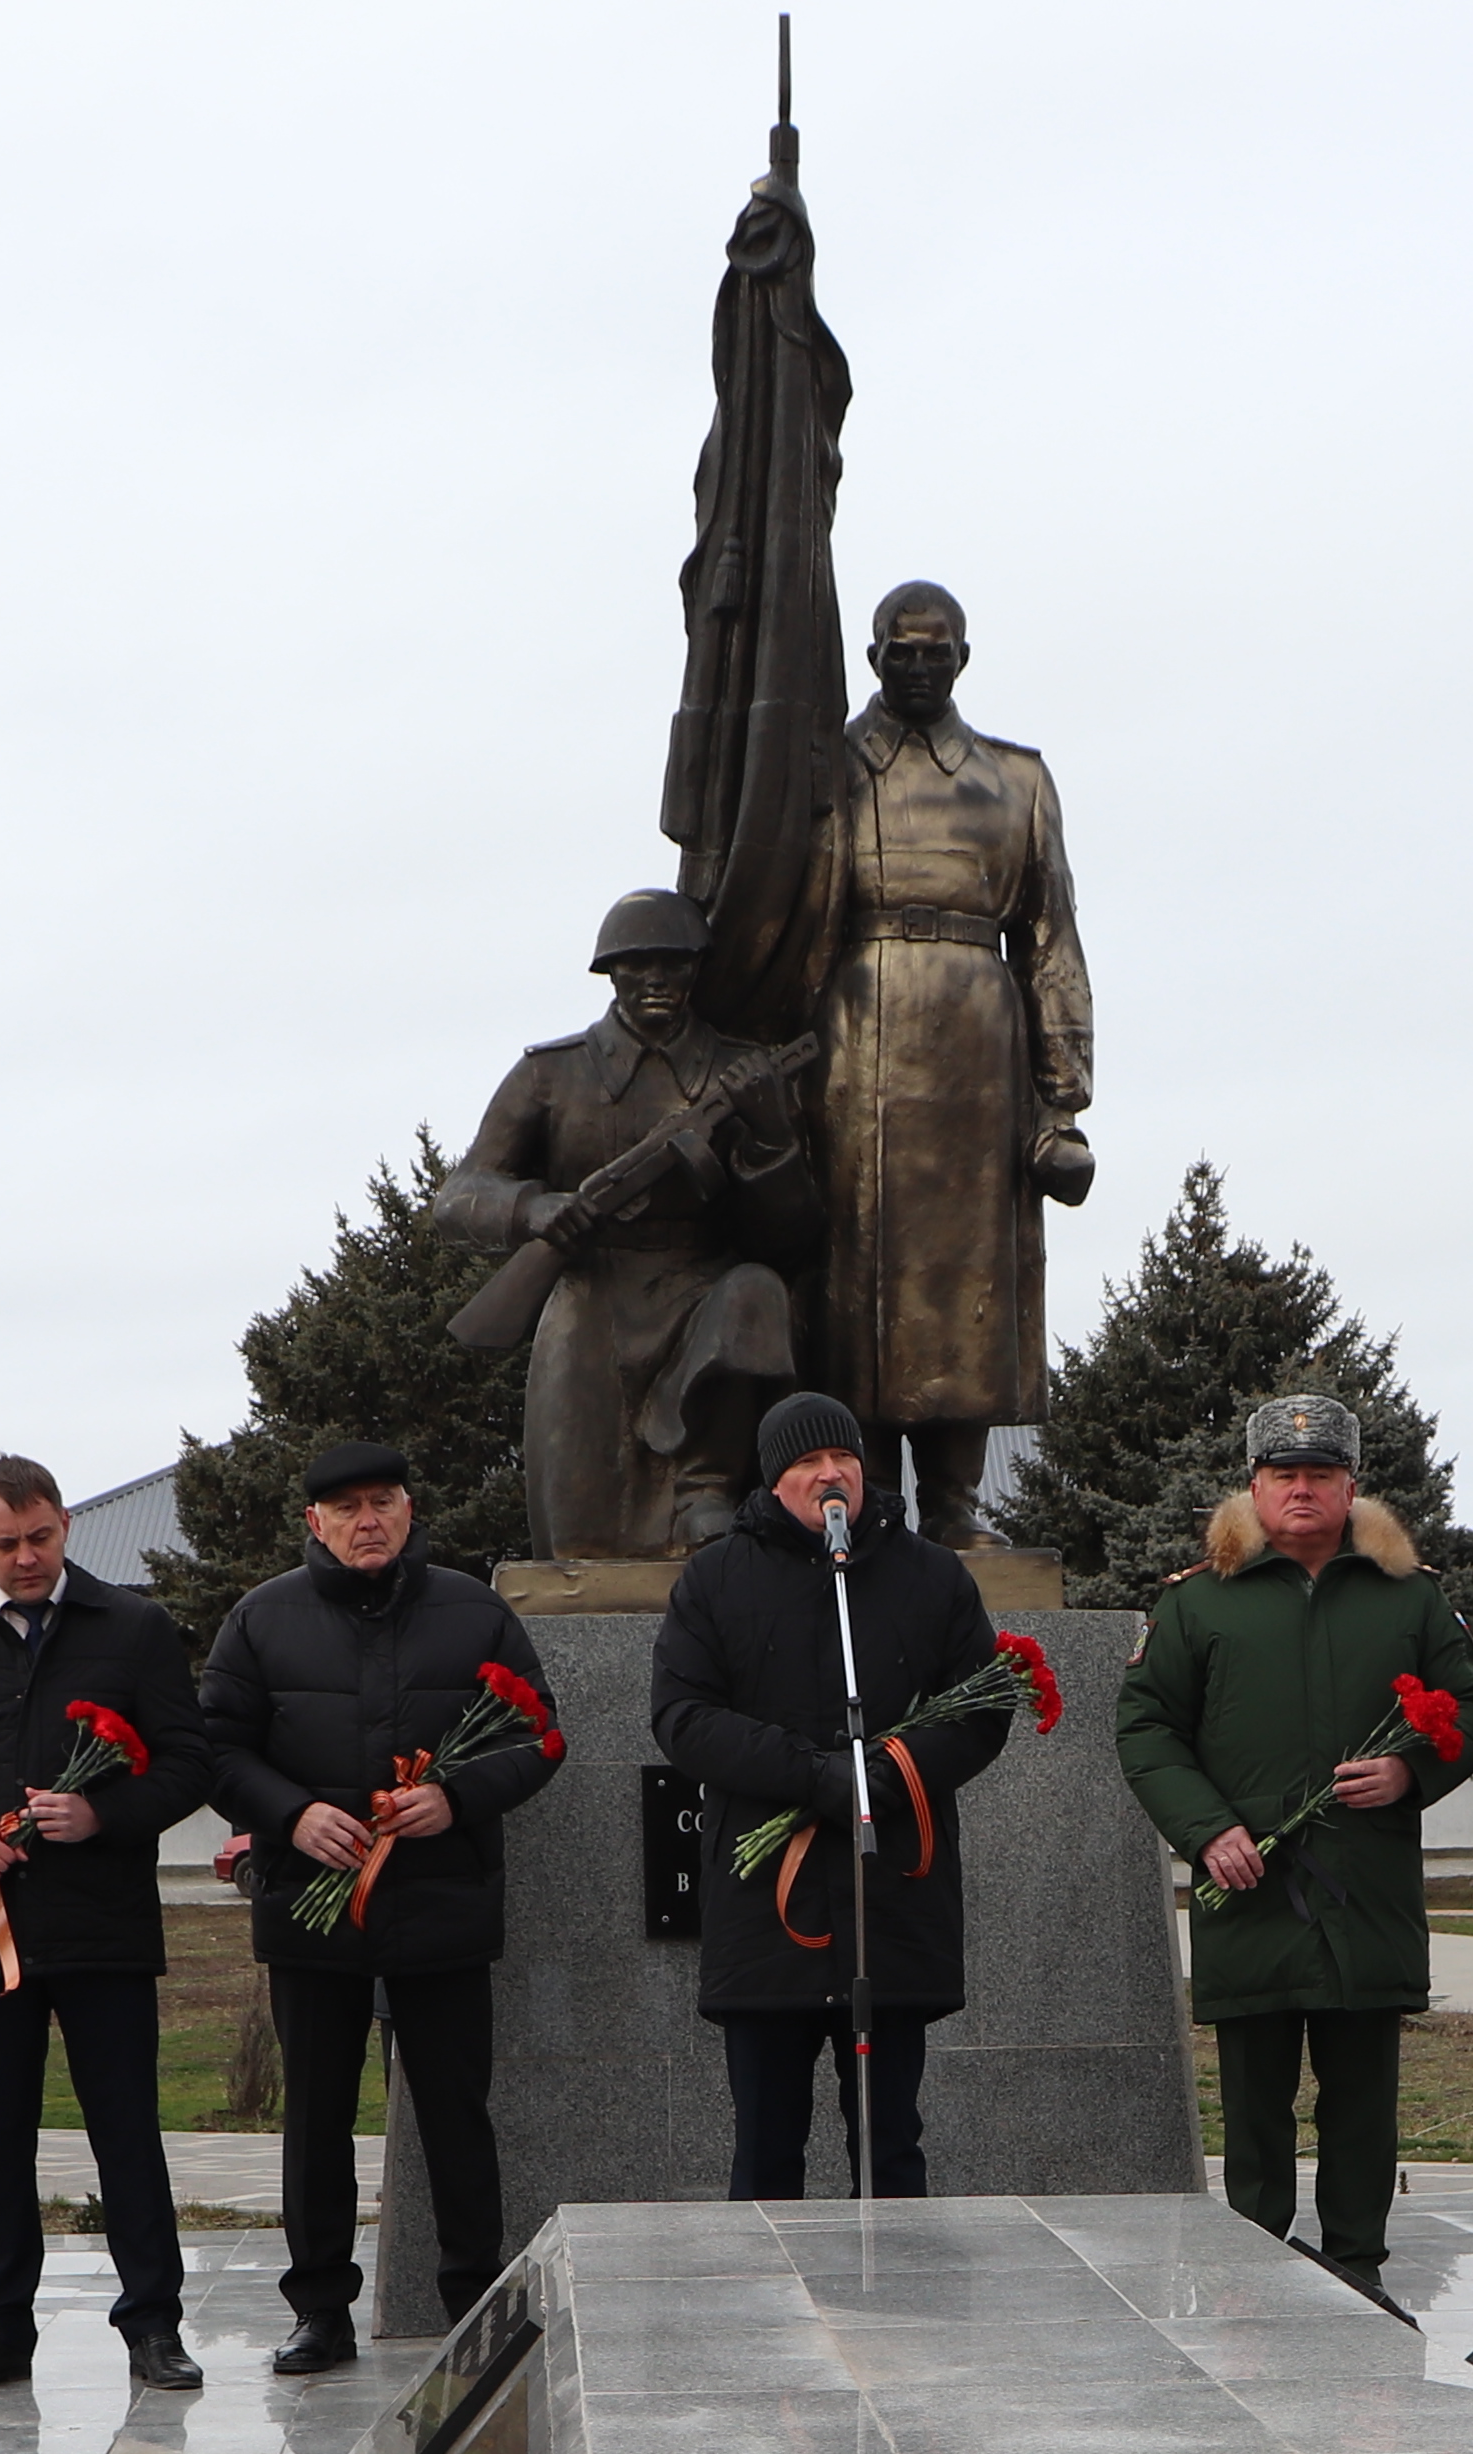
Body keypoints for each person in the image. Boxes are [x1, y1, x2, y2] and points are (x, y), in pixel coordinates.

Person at [1114, 1394, 1473, 2315]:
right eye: (1285, 1475)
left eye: (1321, 1474)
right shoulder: (1201, 1602)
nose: (1303, 1489)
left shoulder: (1409, 1596)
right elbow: (1147, 1726)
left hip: (1367, 1889)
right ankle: (1253, 2271)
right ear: (1255, 1486)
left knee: (1363, 2098)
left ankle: (1359, 2268)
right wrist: (1207, 1831)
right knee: (1254, 2100)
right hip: (1253, 1887)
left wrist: (1408, 1775)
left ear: (1351, 1486)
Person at [200, 1435, 561, 2361]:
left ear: (409, 1511)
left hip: (441, 1904)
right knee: (316, 2114)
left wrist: (457, 1796)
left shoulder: (474, 1612)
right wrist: (293, 1816)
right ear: (313, 1522)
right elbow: (218, 1752)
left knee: (454, 2109)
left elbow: (539, 1739)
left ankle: (473, 2303)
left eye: (385, 1503)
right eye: (349, 1508)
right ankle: (320, 2309)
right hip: (310, 1902)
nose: (370, 1522)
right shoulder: (261, 1618)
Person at [0, 1455, 212, 2396]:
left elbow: (189, 1762)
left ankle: (153, 2325)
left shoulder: (134, 1627)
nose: (25, 1559)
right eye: (3, 1543)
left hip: (103, 1928)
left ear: (64, 1526)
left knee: (126, 2134)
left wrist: (105, 1814)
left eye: (40, 1538)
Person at [655, 1390, 1012, 2203]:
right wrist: (812, 1774)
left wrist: (890, 1769)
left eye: (842, 1459)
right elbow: (682, 1717)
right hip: (764, 1913)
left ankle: (894, 2319)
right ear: (775, 1480)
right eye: (808, 1463)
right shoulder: (715, 1579)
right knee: (766, 2149)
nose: (830, 1476)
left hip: (889, 1902)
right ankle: (772, 2326)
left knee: (890, 2149)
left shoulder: (930, 1575)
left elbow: (984, 1703)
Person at [806, 579, 1098, 1548]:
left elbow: (1051, 941)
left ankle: (957, 1509)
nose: (919, 665)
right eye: (902, 649)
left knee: (965, 1283)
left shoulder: (1016, 780)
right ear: (874, 657)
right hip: (854, 1036)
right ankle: (870, 1500)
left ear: (963, 659)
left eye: (937, 650)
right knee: (857, 1282)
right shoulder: (827, 769)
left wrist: (1062, 1102)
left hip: (978, 1045)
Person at [442, 890, 825, 1558]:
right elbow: (459, 1196)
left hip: (700, 1285)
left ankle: (703, 1493)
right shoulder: (550, 1074)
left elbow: (793, 1234)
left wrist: (771, 1138)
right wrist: (536, 1208)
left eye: (672, 964)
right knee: (581, 1541)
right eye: (637, 963)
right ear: (611, 973)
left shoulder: (742, 1071)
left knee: (756, 1293)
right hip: (592, 1292)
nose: (655, 979)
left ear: (696, 970)